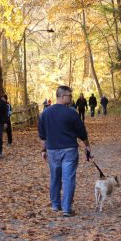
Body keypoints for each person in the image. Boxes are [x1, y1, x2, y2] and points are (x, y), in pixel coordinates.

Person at [38, 85, 91, 217]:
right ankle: (66, 208)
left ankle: (56, 205)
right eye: (70, 96)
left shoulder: (45, 113)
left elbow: (42, 135)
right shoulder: (72, 113)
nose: (72, 99)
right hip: (69, 151)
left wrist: (43, 150)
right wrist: (87, 146)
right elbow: (82, 132)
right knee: (68, 179)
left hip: (52, 151)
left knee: (55, 177)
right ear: (62, 96)